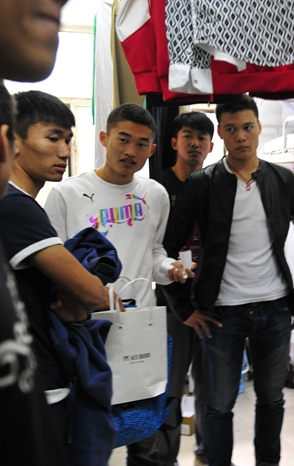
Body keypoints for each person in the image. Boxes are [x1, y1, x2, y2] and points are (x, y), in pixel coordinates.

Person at [163, 94, 294, 466]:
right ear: (221, 133)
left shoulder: (282, 179)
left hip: (275, 309)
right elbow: (166, 247)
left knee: (272, 400)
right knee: (218, 405)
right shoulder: (202, 183)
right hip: (220, 313)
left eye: (247, 127)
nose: (241, 136)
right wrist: (183, 308)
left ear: (259, 127)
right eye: (231, 129)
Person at [44, 102, 191, 465]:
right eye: (123, 140)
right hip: (87, 330)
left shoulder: (155, 194)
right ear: (104, 138)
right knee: (89, 428)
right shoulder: (67, 194)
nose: (130, 151)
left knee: (143, 426)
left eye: (141, 144)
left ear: (152, 149)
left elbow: (154, 253)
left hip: (140, 324)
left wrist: (169, 268)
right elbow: (54, 267)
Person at [0, 90, 116, 455]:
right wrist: (81, 299)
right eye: (52, 138)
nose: (64, 152)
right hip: (39, 380)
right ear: (13, 141)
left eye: (68, 140)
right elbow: (93, 293)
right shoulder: (16, 207)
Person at [152, 111, 214, 466]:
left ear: (211, 145)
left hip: (211, 301)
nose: (195, 143)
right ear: (174, 142)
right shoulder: (156, 188)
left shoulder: (216, 185)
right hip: (169, 301)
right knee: (170, 385)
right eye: (188, 136)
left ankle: (208, 453)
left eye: (202, 138)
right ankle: (165, 458)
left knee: (211, 385)